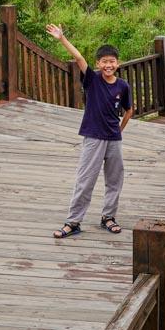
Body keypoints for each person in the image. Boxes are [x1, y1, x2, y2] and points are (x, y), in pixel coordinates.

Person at [46, 24, 133, 239]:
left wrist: (119, 130)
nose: (108, 65)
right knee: (85, 180)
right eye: (104, 61)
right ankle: (73, 222)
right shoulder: (92, 80)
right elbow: (78, 59)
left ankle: (108, 217)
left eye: (112, 61)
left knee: (115, 180)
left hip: (114, 139)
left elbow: (129, 110)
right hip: (93, 138)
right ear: (98, 64)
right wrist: (62, 39)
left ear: (118, 63)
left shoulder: (123, 86)